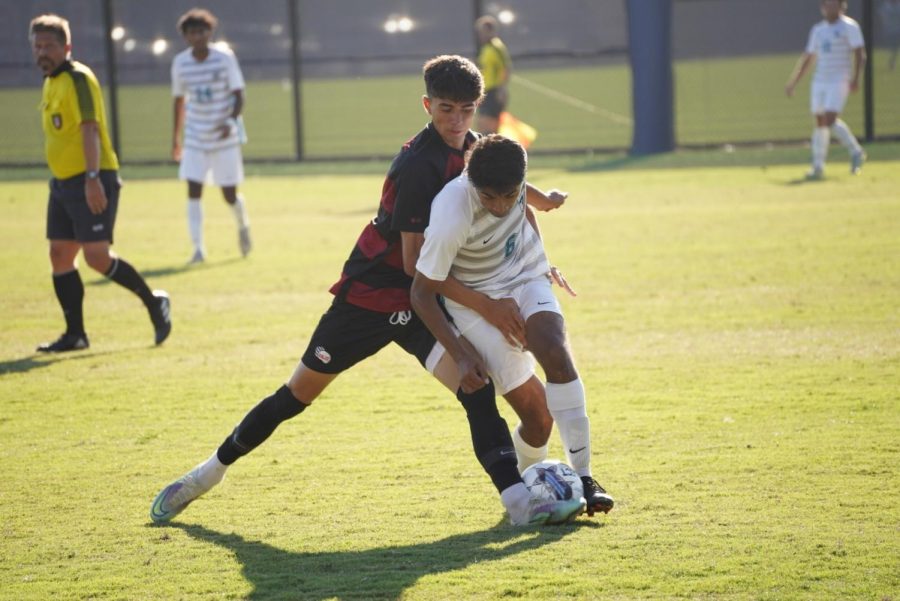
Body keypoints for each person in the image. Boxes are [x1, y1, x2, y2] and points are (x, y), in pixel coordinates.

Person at [150, 55, 584, 527]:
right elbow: (412, 266)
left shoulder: (475, 148)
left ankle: (519, 503)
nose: (456, 121)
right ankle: (206, 474)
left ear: (476, 107)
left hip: (427, 302)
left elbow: (512, 189)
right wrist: (487, 306)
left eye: (465, 110)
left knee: (473, 384)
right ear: (427, 105)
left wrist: (542, 217)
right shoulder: (418, 165)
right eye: (445, 110)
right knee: (296, 396)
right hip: (374, 295)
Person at [411, 135, 615, 517]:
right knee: (539, 418)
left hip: (525, 277)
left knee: (555, 350)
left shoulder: (514, 183)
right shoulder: (452, 213)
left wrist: (547, 202)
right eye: (490, 198)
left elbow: (527, 202)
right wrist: (462, 349)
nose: (501, 206)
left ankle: (585, 477)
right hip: (474, 301)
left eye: (510, 195)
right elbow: (422, 291)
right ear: (472, 182)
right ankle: (529, 487)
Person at [29, 14, 171, 353]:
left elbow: (89, 129)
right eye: (37, 46)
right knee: (59, 254)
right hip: (62, 183)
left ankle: (154, 303)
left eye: (49, 45)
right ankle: (75, 335)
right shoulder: (50, 81)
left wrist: (93, 179)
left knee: (96, 256)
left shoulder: (78, 79)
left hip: (92, 179)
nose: (42, 52)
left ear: (67, 47)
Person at [171, 8, 251, 263]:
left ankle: (242, 225)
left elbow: (239, 95)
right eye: (192, 32)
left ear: (210, 32)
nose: (198, 36)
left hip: (223, 137)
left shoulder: (224, 58)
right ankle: (198, 249)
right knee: (193, 189)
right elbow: (179, 101)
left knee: (228, 193)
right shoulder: (180, 63)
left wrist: (230, 121)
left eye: (202, 31)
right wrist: (176, 138)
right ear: (185, 36)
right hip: (195, 136)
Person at [785, 0, 867, 179]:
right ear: (822, 8)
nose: (830, 8)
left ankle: (855, 151)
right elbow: (809, 58)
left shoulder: (850, 27)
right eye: (826, 5)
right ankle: (818, 166)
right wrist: (793, 82)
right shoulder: (818, 30)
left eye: (834, 4)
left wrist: (855, 79)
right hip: (820, 80)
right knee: (820, 121)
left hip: (839, 79)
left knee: (830, 119)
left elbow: (860, 53)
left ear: (841, 6)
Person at [474, 15, 512, 134]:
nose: (481, 35)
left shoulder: (496, 47)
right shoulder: (486, 48)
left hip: (493, 92)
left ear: (491, 31)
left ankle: (493, 151)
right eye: (480, 32)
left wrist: (501, 90)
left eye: (484, 31)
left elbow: (505, 68)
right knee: (482, 125)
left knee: (489, 128)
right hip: (484, 91)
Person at [880, 0, 900, 71]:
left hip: (898, 30)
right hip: (889, 30)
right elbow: (882, 16)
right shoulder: (886, 6)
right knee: (892, 47)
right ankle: (891, 61)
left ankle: (892, 61)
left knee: (895, 47)